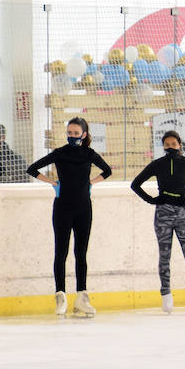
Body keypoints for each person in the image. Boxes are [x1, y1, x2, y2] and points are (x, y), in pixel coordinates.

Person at [26, 117, 112, 318]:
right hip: (62, 208)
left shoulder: (89, 154)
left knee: (81, 253)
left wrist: (90, 183)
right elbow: (32, 168)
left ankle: (82, 296)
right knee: (61, 252)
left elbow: (107, 171)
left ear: (83, 134)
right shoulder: (60, 153)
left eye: (75, 133)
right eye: (69, 133)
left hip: (84, 208)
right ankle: (60, 295)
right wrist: (53, 183)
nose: (72, 136)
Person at [131, 131, 185, 315]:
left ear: (180, 145)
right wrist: (152, 200)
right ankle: (166, 294)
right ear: (163, 146)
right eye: (167, 144)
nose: (170, 147)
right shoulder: (158, 164)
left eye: (173, 144)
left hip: (183, 213)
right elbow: (135, 184)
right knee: (164, 255)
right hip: (163, 213)